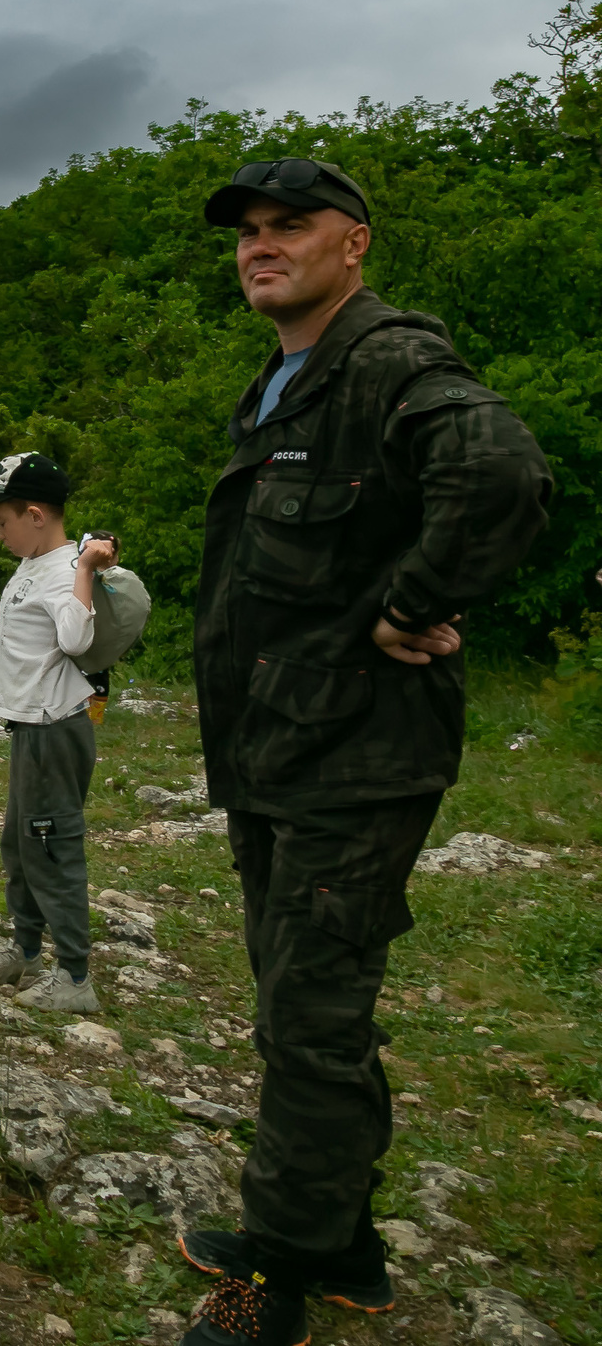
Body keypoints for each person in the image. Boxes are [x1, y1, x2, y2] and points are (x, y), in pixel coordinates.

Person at [177, 159, 550, 1346]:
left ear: (356, 244)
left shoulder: (386, 361)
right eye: (246, 231)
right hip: (281, 748)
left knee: (311, 1013)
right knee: (303, 1004)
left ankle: (277, 1277)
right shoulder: (288, 375)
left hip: (355, 755)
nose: (259, 246)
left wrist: (413, 603)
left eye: (290, 227)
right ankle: (334, 1235)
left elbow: (496, 471)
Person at [0, 452, 117, 1014]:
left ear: (35, 514)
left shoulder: (63, 569)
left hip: (56, 727)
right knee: (20, 844)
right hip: (29, 726)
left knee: (51, 845)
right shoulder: (34, 564)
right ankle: (26, 951)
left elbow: (74, 639)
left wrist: (83, 570)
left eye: (1, 521)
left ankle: (75, 978)